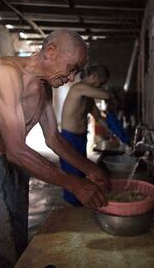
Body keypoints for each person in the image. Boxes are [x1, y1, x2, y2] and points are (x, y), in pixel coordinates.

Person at [0, 30, 109, 268]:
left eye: (76, 71)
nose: (71, 78)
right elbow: (15, 149)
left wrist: (91, 170)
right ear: (50, 51)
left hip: (15, 170)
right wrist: (75, 183)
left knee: (15, 241)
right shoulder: (6, 72)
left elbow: (53, 139)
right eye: (71, 68)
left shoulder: (44, 88)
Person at [59, 65, 111, 206]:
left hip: (81, 138)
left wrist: (113, 131)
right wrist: (115, 95)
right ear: (93, 76)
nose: (99, 87)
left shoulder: (88, 97)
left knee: (82, 173)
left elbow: (98, 117)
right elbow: (106, 95)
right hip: (69, 138)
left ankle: (80, 204)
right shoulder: (78, 88)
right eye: (100, 84)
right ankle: (71, 210)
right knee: (71, 175)